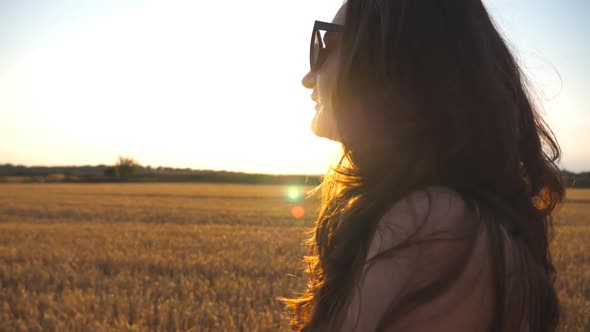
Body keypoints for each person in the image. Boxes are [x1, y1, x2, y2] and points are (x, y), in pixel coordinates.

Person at [279, 0, 564, 331]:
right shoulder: (452, 216)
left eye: (327, 45)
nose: (308, 77)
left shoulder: (434, 222)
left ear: (393, 62)